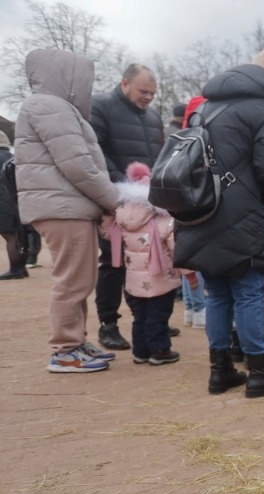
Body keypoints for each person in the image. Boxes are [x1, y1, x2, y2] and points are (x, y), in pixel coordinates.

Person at [173, 48, 264, 398]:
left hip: (201, 210)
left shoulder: (203, 107)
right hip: (242, 212)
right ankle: (260, 371)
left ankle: (221, 371)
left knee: (217, 293)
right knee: (249, 292)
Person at [15, 48, 119, 373]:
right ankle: (64, 349)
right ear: (70, 75)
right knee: (73, 280)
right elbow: (79, 165)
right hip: (62, 208)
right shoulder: (50, 106)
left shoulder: (53, 106)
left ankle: (75, 341)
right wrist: (116, 201)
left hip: (68, 206)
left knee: (80, 278)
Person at [90, 63, 165, 351]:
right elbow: (95, 151)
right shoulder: (101, 107)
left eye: (152, 93)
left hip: (149, 201)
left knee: (150, 259)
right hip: (116, 198)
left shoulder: (154, 117)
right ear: (124, 83)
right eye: (143, 91)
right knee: (113, 260)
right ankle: (108, 323)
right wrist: (121, 185)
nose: (148, 97)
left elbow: (157, 155)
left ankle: (146, 320)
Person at [101, 162, 190, 365]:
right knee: (158, 315)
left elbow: (107, 234)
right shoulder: (162, 220)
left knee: (139, 316)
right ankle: (159, 351)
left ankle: (140, 351)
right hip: (160, 279)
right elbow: (178, 249)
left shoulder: (120, 219)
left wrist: (107, 215)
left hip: (132, 280)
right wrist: (189, 272)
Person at [0, 131, 27, 280]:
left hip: (2, 202)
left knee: (9, 236)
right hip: (16, 200)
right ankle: (21, 268)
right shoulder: (12, 158)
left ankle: (15, 269)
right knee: (18, 234)